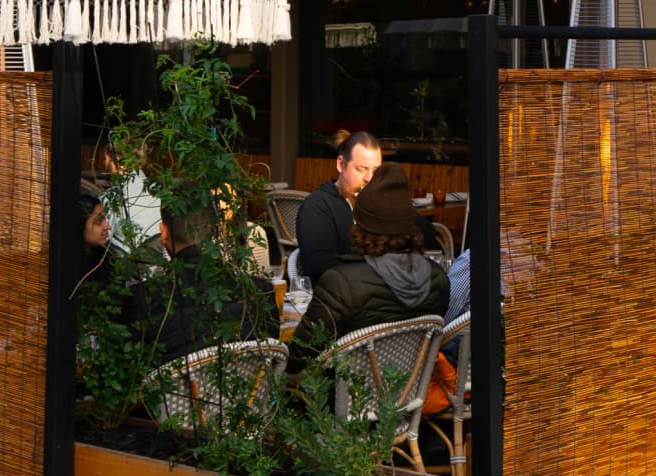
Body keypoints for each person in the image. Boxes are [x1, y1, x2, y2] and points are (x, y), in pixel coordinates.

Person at [289, 162, 449, 365]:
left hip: (348, 394)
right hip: (409, 391)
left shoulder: (341, 283)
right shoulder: (438, 278)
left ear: (360, 228)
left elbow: (299, 358)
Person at [127, 203, 275, 368]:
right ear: (216, 231)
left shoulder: (143, 300)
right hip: (252, 391)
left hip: (178, 393)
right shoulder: (260, 291)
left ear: (164, 233)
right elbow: (273, 357)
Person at [295, 130, 383, 284]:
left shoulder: (378, 204)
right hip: (337, 299)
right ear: (341, 164)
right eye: (361, 169)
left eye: (375, 171)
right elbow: (318, 266)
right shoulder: (317, 205)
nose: (369, 178)